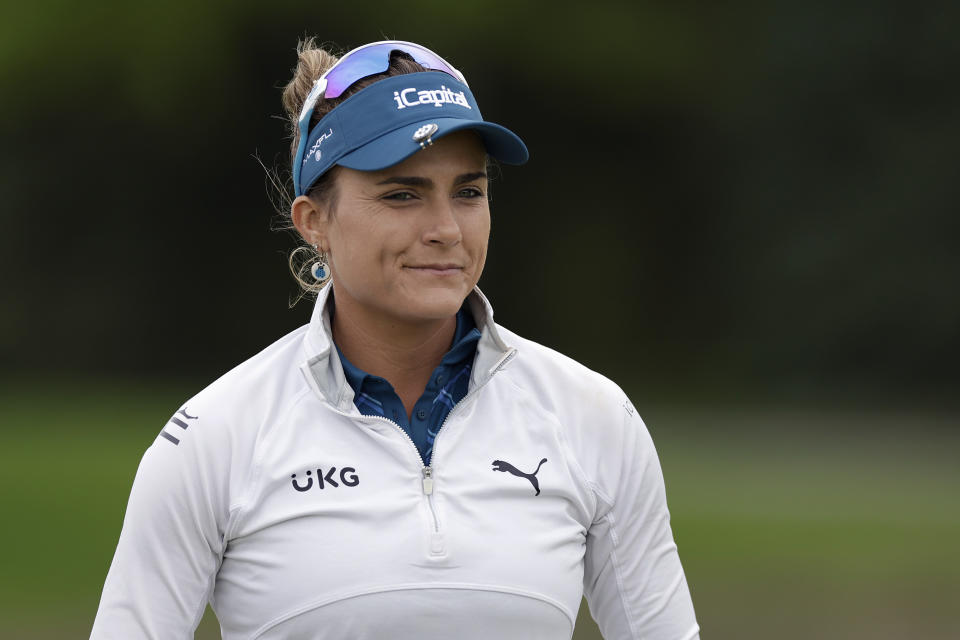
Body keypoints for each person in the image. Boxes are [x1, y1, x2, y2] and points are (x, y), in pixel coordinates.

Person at [91, 39, 700, 640]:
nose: (444, 229)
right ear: (315, 221)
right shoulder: (214, 437)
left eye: (468, 191)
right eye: (401, 194)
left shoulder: (591, 415)